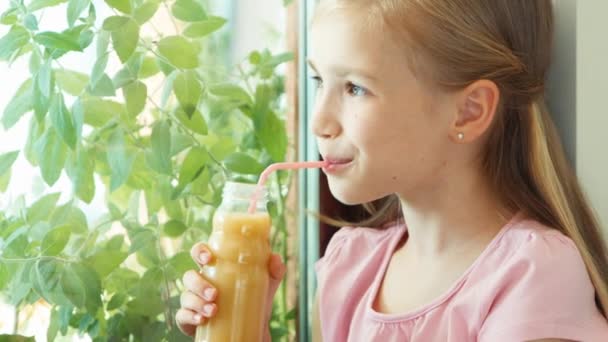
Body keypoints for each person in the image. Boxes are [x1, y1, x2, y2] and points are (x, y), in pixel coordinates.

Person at [175, 0, 608, 340]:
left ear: (469, 111)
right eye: (317, 82)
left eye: (355, 88)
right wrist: (247, 330)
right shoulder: (348, 267)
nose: (318, 122)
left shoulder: (531, 277)